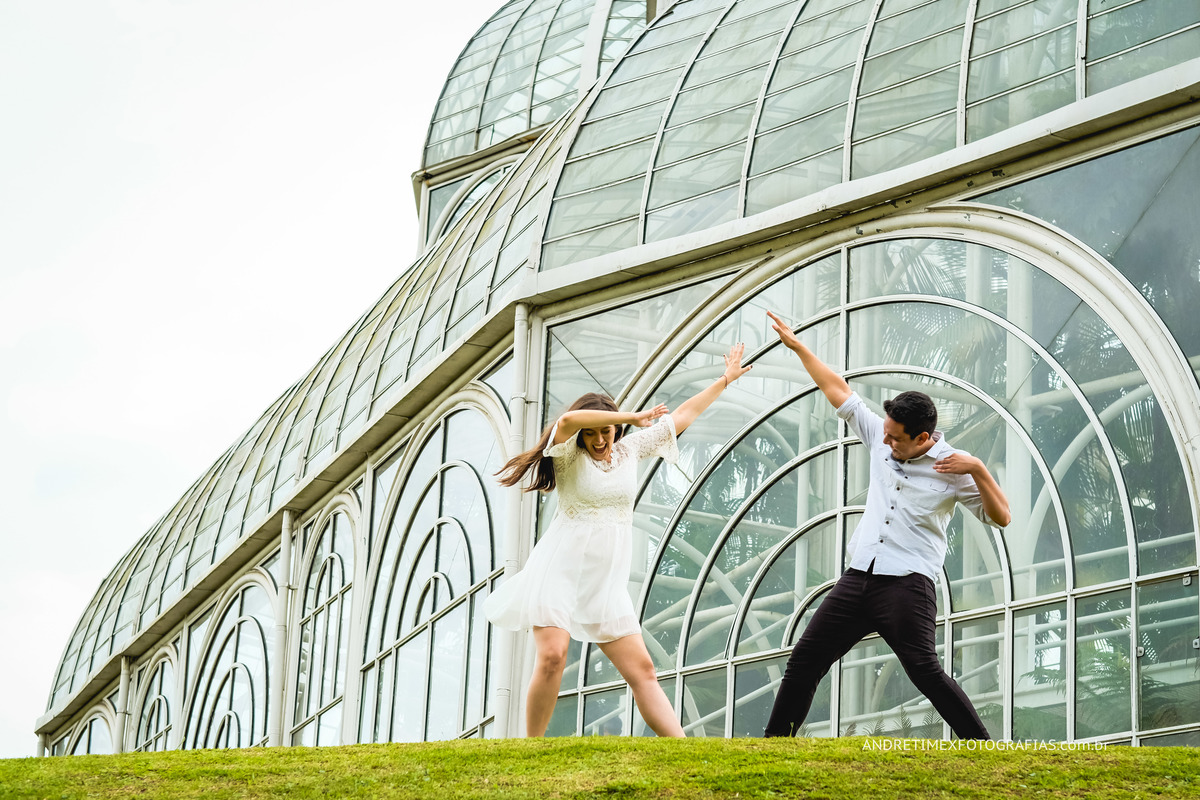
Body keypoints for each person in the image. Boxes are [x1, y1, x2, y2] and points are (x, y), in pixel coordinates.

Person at [762, 311, 1011, 740]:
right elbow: (837, 389)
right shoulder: (883, 434)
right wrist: (799, 347)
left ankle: (983, 748)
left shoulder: (954, 468)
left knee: (924, 670)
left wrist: (980, 470)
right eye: (887, 433)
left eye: (896, 437)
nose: (886, 441)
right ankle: (770, 748)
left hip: (908, 583)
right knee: (804, 660)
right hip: (859, 576)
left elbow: (1001, 516)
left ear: (923, 437)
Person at [486, 344, 753, 737]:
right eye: (590, 433)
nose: (598, 440)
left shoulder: (630, 450)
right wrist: (629, 414)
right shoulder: (566, 456)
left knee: (643, 670)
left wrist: (725, 380)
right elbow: (568, 418)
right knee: (553, 657)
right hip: (559, 569)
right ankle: (531, 752)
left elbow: (682, 416)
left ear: (618, 431)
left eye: (606, 431)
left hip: (606, 581)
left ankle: (684, 750)